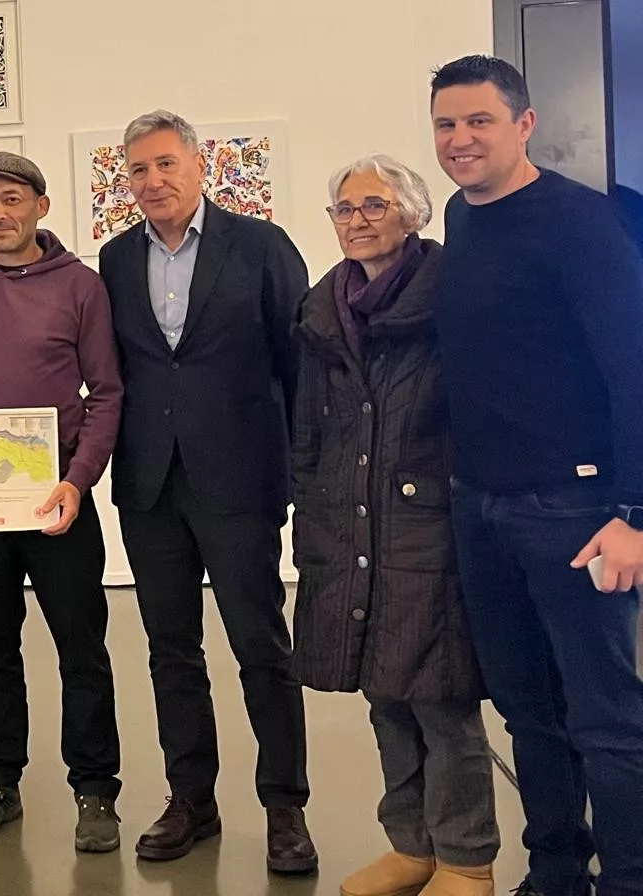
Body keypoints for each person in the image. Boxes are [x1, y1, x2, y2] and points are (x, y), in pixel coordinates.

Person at [430, 55, 643, 896]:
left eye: (479, 121)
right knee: (526, 710)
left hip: (577, 508)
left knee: (606, 717)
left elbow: (633, 367)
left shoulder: (583, 223)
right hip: (479, 506)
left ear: (524, 124)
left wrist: (634, 511)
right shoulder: (461, 214)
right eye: (446, 124)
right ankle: (556, 868)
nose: (460, 139)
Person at [97, 110, 317, 872]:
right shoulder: (115, 259)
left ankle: (285, 806)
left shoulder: (260, 246)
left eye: (165, 164)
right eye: (137, 170)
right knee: (170, 651)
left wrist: (296, 473)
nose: (151, 181)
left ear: (200, 166)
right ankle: (192, 798)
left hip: (240, 478)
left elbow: (301, 368)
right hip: (151, 482)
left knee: (261, 645)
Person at [290, 155, 499, 896]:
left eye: (374, 206)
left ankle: (467, 860)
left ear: (413, 214)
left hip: (427, 523)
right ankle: (410, 847)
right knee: (383, 695)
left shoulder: (451, 299)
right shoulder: (323, 313)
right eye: (344, 209)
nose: (358, 221)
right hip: (348, 527)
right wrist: (309, 507)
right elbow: (308, 430)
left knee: (441, 701)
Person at [0, 151, 125, 853]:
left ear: (40, 206)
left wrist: (78, 481)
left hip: (59, 500)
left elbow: (106, 392)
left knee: (82, 647)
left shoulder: (81, 286)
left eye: (11, 199)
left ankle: (96, 790)